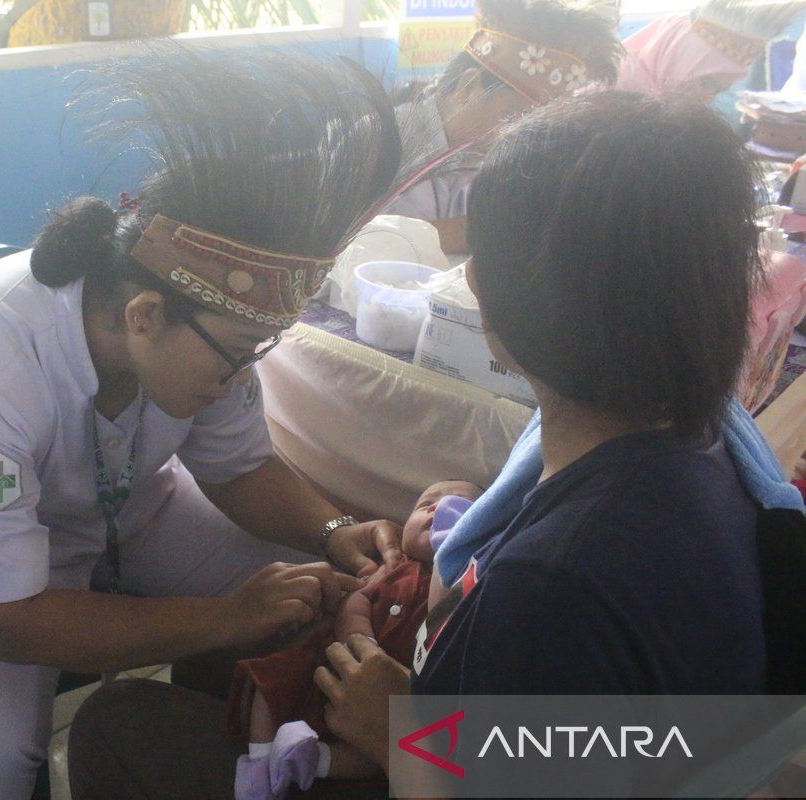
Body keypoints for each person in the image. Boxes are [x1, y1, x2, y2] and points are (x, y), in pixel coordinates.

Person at [68, 91, 805, 798]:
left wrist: (405, 730)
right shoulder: (707, 435)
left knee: (119, 725)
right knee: (232, 658)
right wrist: (471, 519)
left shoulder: (553, 586)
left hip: (453, 750)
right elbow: (605, 733)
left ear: (494, 292)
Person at [0, 50, 410, 799]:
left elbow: (241, 467)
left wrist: (331, 530)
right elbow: (7, 618)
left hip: (132, 504)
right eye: (237, 355)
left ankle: (222, 738)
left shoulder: (200, 337)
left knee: (307, 597)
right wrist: (220, 619)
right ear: (144, 316)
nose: (238, 378)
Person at [228, 481, 482, 800]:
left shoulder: (464, 581)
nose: (438, 508)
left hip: (399, 686)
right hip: (342, 658)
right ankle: (260, 762)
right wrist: (360, 641)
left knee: (376, 755)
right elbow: (357, 602)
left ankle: (312, 761)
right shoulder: (393, 567)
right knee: (269, 680)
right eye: (426, 504)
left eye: (456, 505)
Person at [381, 0, 620, 254]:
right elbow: (379, 246)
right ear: (468, 87)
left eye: (542, 125)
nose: (528, 137)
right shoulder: (390, 144)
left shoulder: (489, 150)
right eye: (518, 116)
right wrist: (504, 228)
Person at [618, 0, 806, 102]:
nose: (707, 100)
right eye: (706, 82)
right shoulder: (611, 105)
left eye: (719, 90)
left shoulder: (662, 105)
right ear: (674, 59)